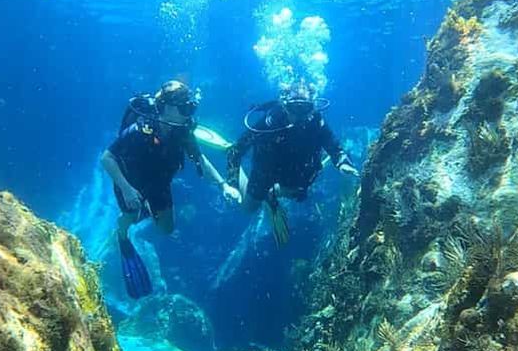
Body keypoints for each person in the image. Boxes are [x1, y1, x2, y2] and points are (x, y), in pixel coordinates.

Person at [101, 80, 241, 299]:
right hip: (131, 184)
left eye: (191, 108)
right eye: (184, 108)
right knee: (131, 215)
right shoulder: (141, 129)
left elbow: (200, 161)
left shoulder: (182, 131)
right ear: (166, 107)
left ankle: (145, 211)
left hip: (159, 183)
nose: (189, 113)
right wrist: (127, 189)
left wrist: (224, 185)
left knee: (166, 228)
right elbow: (107, 158)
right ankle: (121, 233)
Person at [226, 80, 359, 246]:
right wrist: (231, 183)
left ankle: (274, 193)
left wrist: (342, 163)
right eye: (294, 108)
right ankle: (261, 189)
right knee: (248, 208)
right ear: (284, 105)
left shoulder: (316, 122)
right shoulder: (270, 122)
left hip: (297, 176)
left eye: (305, 108)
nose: (299, 116)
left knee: (298, 194)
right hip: (266, 173)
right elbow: (235, 152)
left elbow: (334, 147)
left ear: (313, 107)